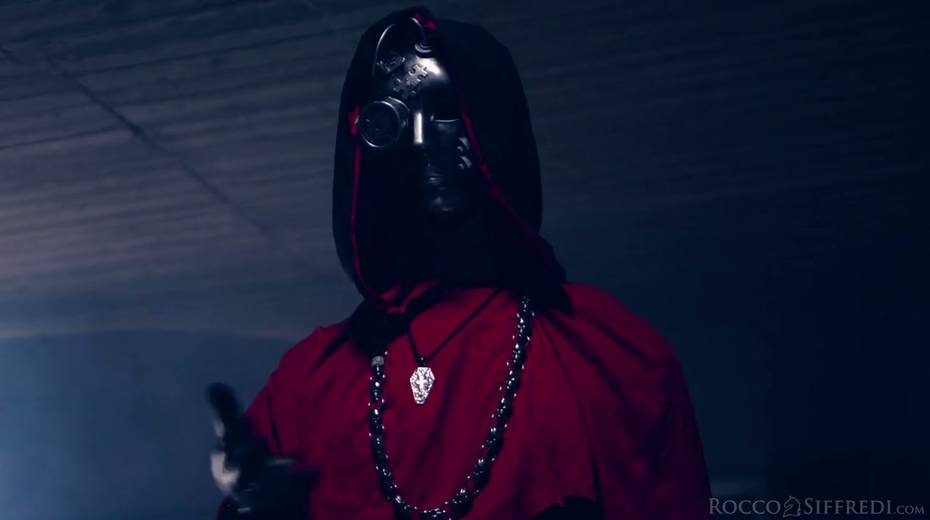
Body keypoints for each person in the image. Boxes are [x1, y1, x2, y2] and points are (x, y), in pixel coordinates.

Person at [209, 6, 710, 519]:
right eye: (399, 118)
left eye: (445, 110)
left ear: (492, 123)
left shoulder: (616, 358)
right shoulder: (308, 384)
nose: (424, 143)